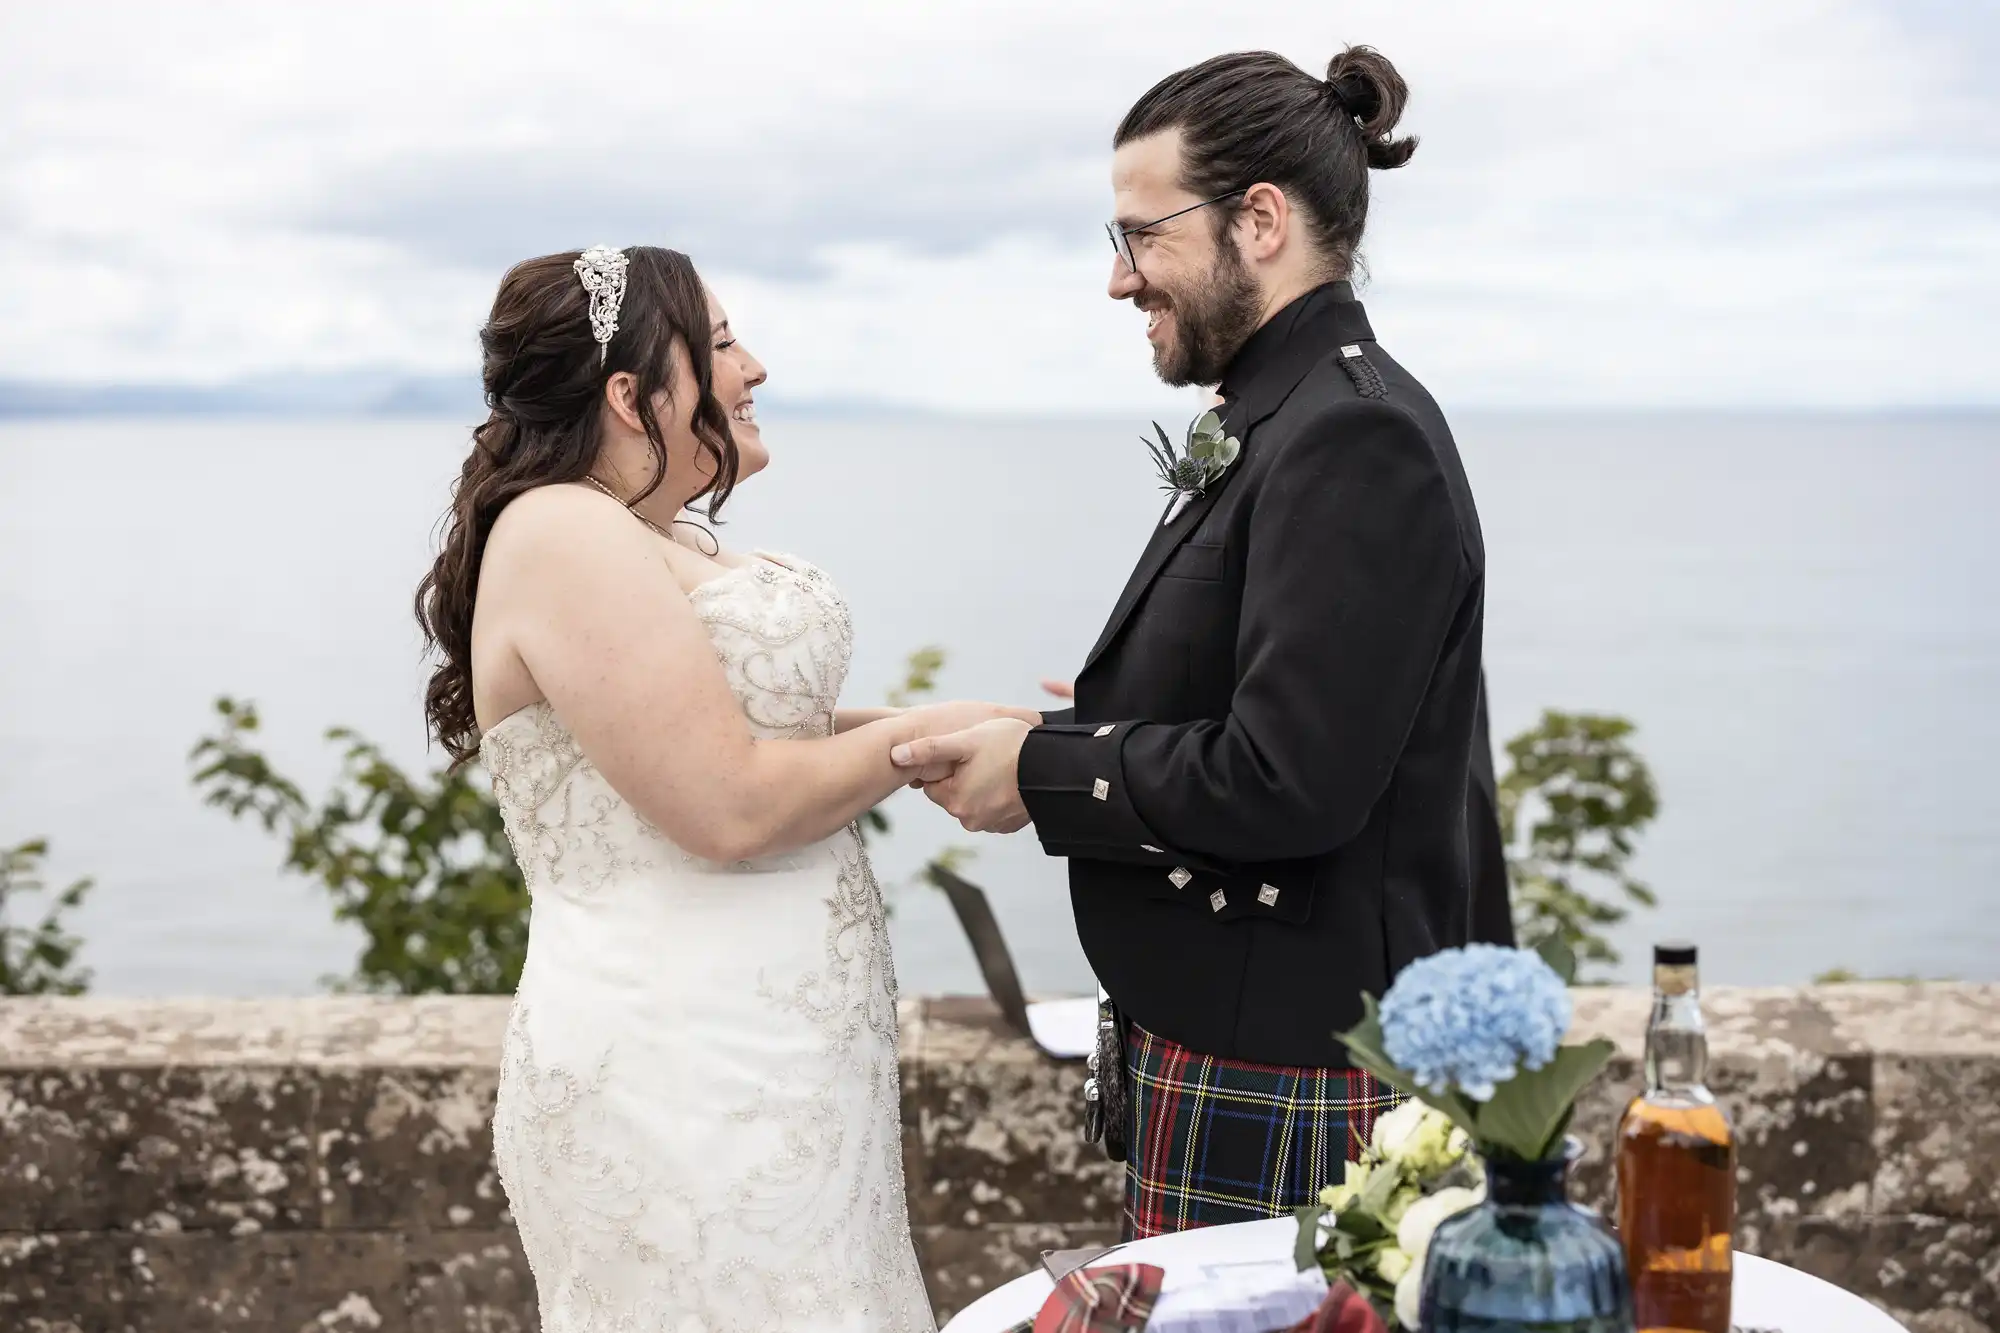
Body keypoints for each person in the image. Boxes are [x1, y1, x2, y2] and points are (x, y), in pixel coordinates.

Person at [895, 46, 1496, 1239]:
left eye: (1139, 236)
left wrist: (1041, 771)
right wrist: (1084, 726)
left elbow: (1290, 784)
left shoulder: (1348, 438)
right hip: (1243, 1051)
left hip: (1298, 1076)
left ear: (1258, 220)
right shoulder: (1282, 414)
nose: (1120, 280)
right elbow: (1267, 697)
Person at [415, 244, 1028, 1330]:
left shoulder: (649, 533)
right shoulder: (562, 531)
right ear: (629, 393)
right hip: (682, 1069)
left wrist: (972, 727)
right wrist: (916, 742)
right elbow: (728, 804)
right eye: (726, 342)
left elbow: (733, 731)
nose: (754, 366)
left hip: (774, 1056)